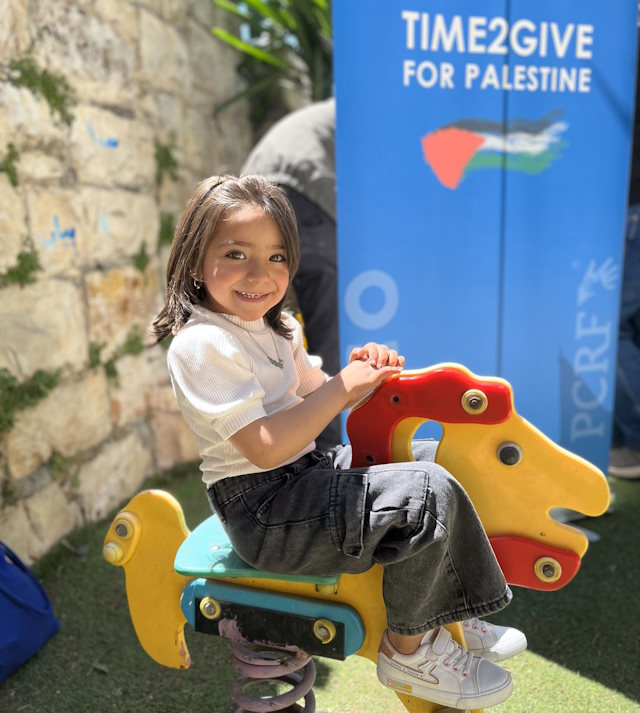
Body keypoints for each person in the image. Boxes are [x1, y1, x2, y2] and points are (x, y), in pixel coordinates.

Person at [151, 175, 526, 709]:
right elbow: (263, 446)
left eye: (277, 257)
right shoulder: (202, 343)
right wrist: (340, 389)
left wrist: (360, 373)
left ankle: (450, 611)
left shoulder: (276, 326)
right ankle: (409, 651)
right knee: (423, 493)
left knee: (432, 460)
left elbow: (319, 394)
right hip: (262, 509)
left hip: (305, 474)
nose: (260, 274)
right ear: (193, 260)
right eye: (236, 254)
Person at [241, 98, 340, 450]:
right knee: (327, 336)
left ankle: (281, 439)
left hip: (258, 197)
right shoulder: (369, 112)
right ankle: (326, 455)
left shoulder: (324, 115)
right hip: (302, 195)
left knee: (268, 332)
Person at [610, 47, 640, 480]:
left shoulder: (620, 43)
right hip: (624, 207)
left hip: (625, 207)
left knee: (612, 327)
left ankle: (633, 440)